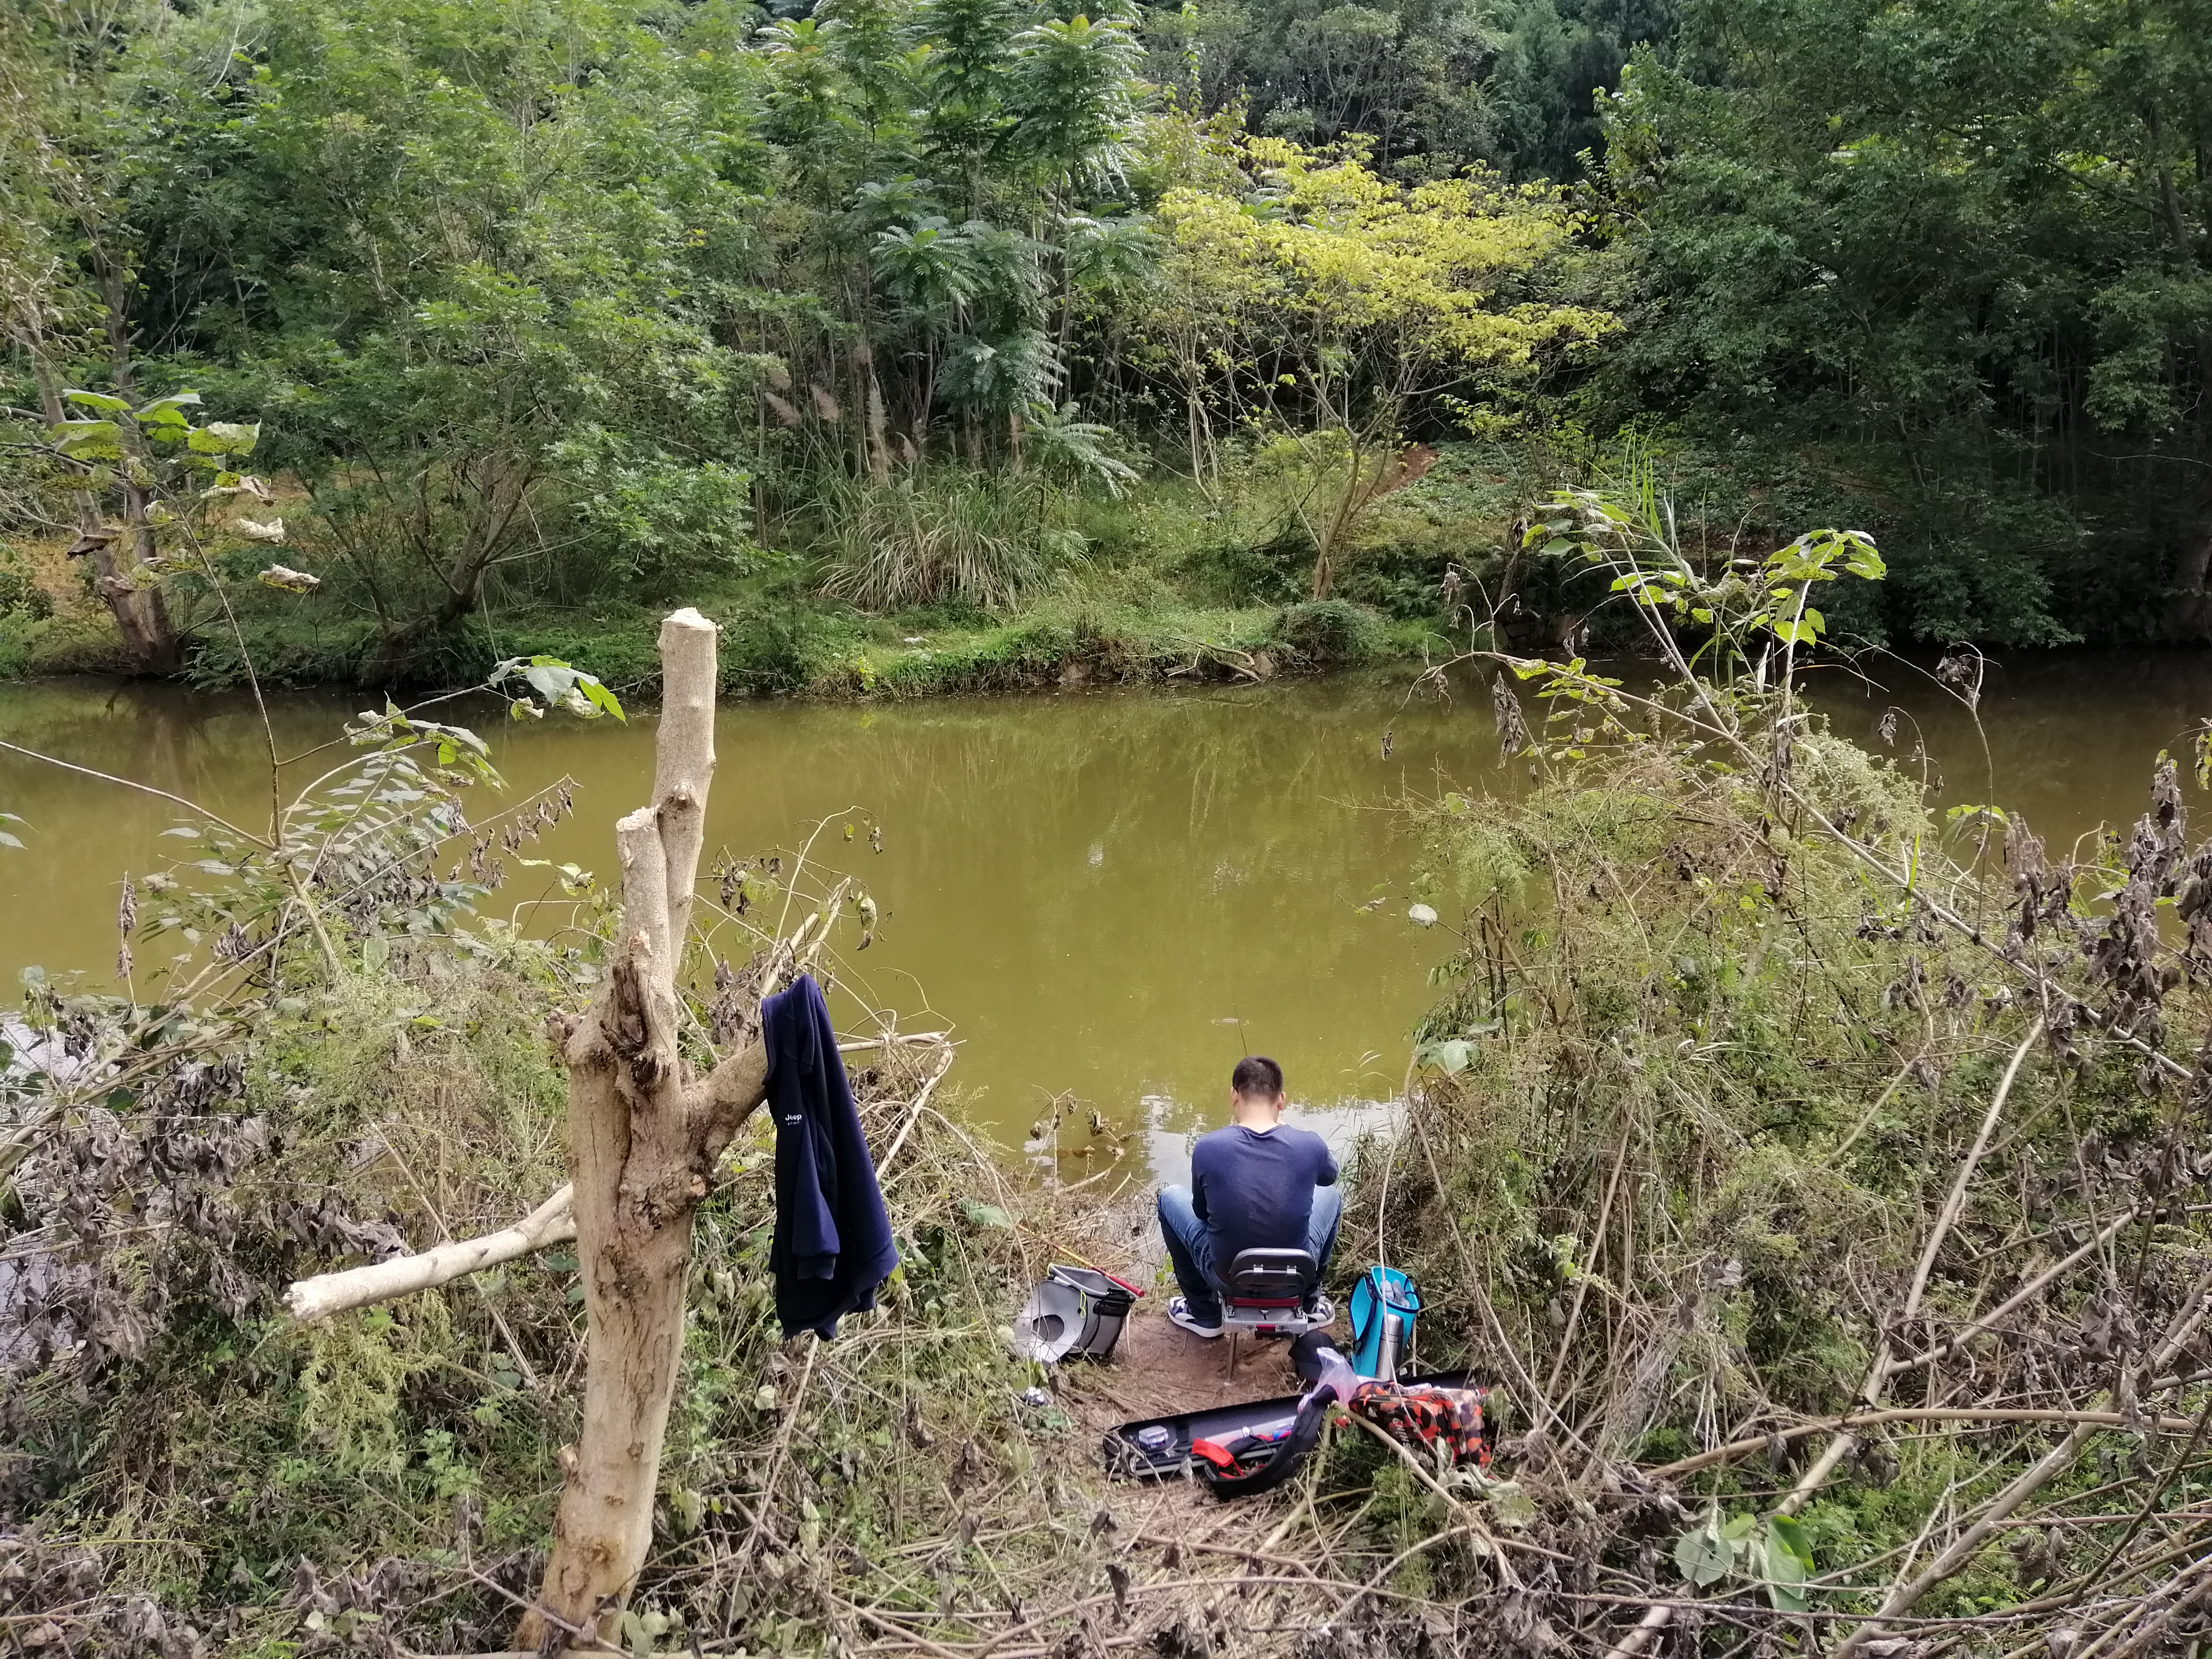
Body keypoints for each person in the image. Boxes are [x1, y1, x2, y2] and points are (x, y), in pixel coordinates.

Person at [1157, 1055, 1342, 1338]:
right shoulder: (1311, 1145)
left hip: (1227, 1277)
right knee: (1332, 1197)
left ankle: (1204, 1313)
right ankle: (1309, 1304)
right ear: (1281, 1100)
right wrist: (1286, 1132)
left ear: (1234, 1096)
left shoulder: (1207, 1148)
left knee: (1169, 1197)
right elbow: (1329, 1178)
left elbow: (1201, 1213)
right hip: (1295, 1277)